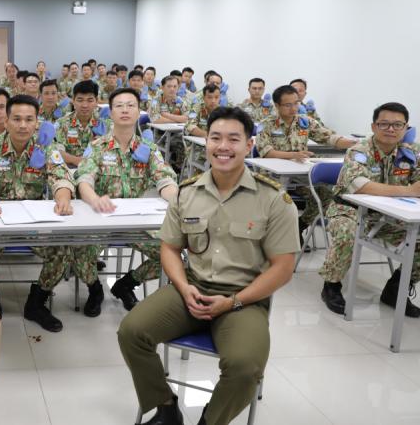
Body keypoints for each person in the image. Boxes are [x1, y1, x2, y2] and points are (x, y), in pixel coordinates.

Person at [118, 106, 299, 425]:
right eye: (215, 137)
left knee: (245, 366)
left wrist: (233, 301)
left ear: (249, 144)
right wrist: (183, 287)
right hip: (191, 290)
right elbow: (170, 249)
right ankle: (165, 408)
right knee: (132, 331)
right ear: (206, 142)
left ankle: (211, 420)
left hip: (244, 300)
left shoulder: (273, 200)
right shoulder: (186, 193)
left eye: (233, 139)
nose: (223, 146)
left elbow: (283, 267)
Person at [0, 95, 74, 332]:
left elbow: (62, 178)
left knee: (62, 249)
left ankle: (37, 301)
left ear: (37, 122)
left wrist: (62, 199)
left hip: (33, 223)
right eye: (16, 119)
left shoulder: (46, 148)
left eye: (29, 119)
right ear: (6, 121)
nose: (23, 125)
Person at [73, 87, 178, 314]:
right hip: (100, 219)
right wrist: (94, 199)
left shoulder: (147, 149)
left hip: (135, 223)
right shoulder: (97, 146)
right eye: (119, 105)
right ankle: (95, 289)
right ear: (110, 113)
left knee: (171, 256)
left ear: (139, 111)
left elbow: (164, 179)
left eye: (131, 105)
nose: (125, 110)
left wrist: (176, 199)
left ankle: (127, 284)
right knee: (78, 252)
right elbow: (84, 178)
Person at [318, 102, 420, 317]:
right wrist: (409, 191)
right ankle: (332, 286)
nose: (390, 129)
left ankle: (396, 288)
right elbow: (360, 185)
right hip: (349, 210)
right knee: (347, 231)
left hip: (390, 215)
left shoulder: (412, 153)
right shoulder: (359, 150)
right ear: (374, 127)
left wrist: (411, 190)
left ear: (406, 128)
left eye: (397, 125)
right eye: (384, 124)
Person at [256, 85, 356, 239]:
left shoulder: (305, 121)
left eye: (296, 103)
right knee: (278, 201)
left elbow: (329, 137)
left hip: (299, 176)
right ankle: (274, 235)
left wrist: (353, 143)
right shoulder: (266, 124)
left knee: (324, 197)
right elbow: (267, 152)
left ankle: (298, 226)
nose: (294, 108)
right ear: (276, 106)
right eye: (288, 105)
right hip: (271, 176)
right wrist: (292, 155)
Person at [55, 80, 112, 168]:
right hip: (69, 170)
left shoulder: (105, 124)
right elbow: (56, 151)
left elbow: (111, 153)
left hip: (98, 170)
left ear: (96, 101)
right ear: (73, 101)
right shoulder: (62, 123)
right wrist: (77, 161)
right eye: (80, 100)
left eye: (90, 100)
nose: (85, 105)